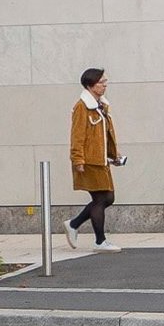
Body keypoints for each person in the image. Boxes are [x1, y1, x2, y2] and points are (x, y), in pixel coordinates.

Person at [65, 67, 125, 252]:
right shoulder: (82, 107)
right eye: (101, 82)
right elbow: (77, 136)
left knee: (108, 198)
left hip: (101, 160)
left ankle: (74, 224)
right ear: (91, 85)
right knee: (101, 198)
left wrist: (114, 157)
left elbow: (105, 136)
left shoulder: (100, 106)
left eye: (105, 82)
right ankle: (100, 241)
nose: (105, 85)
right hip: (89, 162)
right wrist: (78, 160)